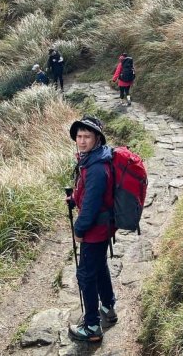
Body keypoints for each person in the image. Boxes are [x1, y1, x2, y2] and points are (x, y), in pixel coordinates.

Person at [67, 115, 117, 343]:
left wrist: (79, 230)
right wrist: (74, 198)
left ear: (97, 138)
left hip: (94, 230)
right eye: (79, 136)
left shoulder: (96, 167)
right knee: (99, 267)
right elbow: (88, 195)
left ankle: (92, 327)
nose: (82, 140)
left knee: (86, 275)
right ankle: (108, 307)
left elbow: (92, 205)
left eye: (87, 136)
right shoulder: (94, 158)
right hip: (102, 227)